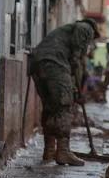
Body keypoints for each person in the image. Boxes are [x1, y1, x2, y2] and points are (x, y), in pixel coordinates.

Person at [31, 19, 100, 166]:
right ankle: (63, 151)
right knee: (64, 107)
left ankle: (49, 150)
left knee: (50, 107)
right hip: (55, 64)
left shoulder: (68, 30)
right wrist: (77, 90)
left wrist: (79, 84)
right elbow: (76, 60)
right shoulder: (86, 28)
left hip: (38, 63)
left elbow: (78, 64)